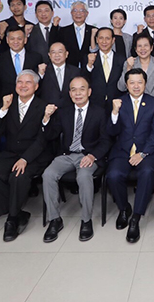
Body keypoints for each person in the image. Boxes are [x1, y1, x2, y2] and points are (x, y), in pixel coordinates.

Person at [0, 70, 56, 242]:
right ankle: (17, 211)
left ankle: (12, 219)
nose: (23, 86)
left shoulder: (44, 106)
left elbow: (43, 140)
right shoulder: (8, 104)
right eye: (20, 82)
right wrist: (3, 110)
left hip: (34, 154)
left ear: (36, 86)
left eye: (28, 82)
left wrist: (25, 159)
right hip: (10, 153)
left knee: (18, 176)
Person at [43, 76, 111, 242]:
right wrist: (46, 118)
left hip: (89, 155)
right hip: (67, 155)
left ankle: (86, 220)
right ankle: (55, 219)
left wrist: (93, 156)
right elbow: (51, 135)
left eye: (82, 89)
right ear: (70, 93)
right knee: (48, 174)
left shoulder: (99, 112)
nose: (78, 93)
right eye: (73, 90)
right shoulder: (63, 112)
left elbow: (106, 140)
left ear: (89, 92)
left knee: (84, 176)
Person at [106, 69, 154, 243]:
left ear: (145, 84)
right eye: (132, 82)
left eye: (140, 82)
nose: (136, 86)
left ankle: (136, 218)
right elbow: (111, 132)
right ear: (126, 85)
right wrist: (114, 113)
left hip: (147, 151)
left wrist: (143, 153)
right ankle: (124, 209)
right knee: (113, 175)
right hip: (122, 151)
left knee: (147, 173)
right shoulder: (118, 102)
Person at [118, 34, 154, 110]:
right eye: (139, 46)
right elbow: (121, 88)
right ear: (135, 49)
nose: (143, 49)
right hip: (134, 107)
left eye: (146, 45)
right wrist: (128, 69)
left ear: (151, 48)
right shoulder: (129, 63)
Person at [83, 27, 125, 113]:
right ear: (97, 40)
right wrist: (89, 65)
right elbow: (84, 80)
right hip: (94, 104)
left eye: (107, 38)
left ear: (113, 40)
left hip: (116, 104)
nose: (104, 42)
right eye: (101, 38)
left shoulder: (121, 59)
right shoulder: (88, 58)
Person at [0, 27, 43, 97]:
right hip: (7, 99)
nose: (15, 42)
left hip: (30, 99)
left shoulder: (36, 57)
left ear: (25, 40)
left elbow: (39, 81)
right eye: (12, 39)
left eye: (19, 39)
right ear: (7, 40)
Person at [50, 1, 96, 68]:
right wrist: (54, 27)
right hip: (70, 69)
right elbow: (53, 45)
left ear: (87, 13)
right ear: (71, 13)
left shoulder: (93, 30)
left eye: (81, 11)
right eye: (75, 11)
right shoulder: (63, 31)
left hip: (90, 68)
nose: (78, 13)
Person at [37, 41, 80, 110]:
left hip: (70, 110)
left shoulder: (76, 71)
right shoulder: (42, 70)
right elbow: (36, 90)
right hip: (48, 111)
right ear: (49, 55)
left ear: (66, 54)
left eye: (60, 52)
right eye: (53, 52)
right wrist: (40, 75)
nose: (57, 55)